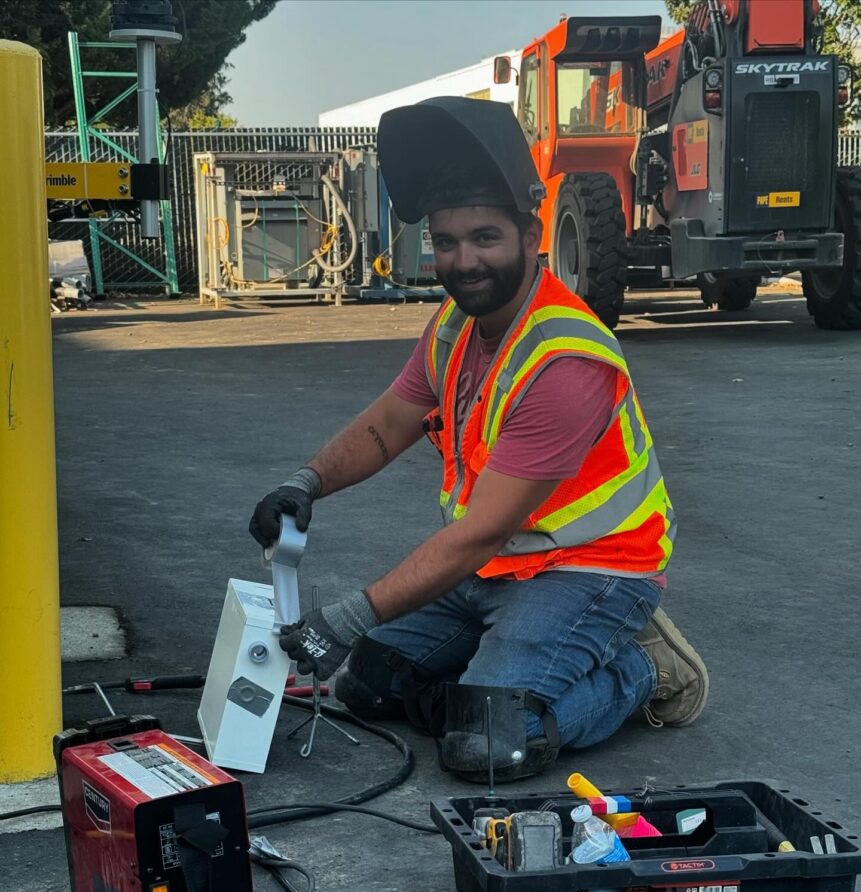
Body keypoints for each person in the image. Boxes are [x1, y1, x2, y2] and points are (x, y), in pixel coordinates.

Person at [249, 97, 708, 781]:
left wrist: (345, 619)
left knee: (490, 744)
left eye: (485, 238)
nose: (464, 261)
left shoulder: (564, 358)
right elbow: (388, 422)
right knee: (364, 686)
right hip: (495, 571)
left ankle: (645, 667)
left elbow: (478, 531)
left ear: (530, 234)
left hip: (589, 571)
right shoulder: (457, 324)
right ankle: (485, 684)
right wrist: (304, 481)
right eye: (446, 241)